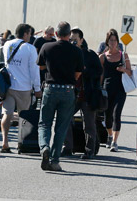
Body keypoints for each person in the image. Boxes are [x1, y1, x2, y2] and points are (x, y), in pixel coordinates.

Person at [37, 21, 84, 172]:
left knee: (44, 123)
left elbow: (41, 66)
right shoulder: (76, 51)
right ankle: (55, 160)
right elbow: (78, 74)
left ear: (56, 34)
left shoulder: (46, 47)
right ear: (69, 35)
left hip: (50, 88)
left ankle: (44, 147)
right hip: (68, 90)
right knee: (61, 127)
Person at [0, 24, 41, 153]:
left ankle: (5, 142)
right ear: (25, 34)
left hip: (8, 85)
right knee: (24, 117)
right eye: (29, 34)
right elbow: (34, 70)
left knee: (7, 114)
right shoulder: (30, 48)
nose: (30, 36)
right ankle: (21, 143)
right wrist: (37, 88)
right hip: (24, 87)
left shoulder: (7, 45)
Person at [63, 28, 104, 159]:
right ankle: (67, 147)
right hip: (71, 94)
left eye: (75, 40)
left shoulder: (90, 54)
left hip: (87, 95)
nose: (73, 42)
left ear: (81, 40)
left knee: (89, 124)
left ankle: (89, 150)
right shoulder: (68, 53)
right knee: (65, 120)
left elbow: (98, 72)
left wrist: (85, 71)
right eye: (71, 40)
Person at [99, 29, 131, 152]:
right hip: (107, 90)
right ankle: (109, 135)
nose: (112, 42)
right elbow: (101, 75)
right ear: (107, 42)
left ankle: (114, 142)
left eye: (114, 40)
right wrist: (99, 88)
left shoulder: (124, 56)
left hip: (120, 89)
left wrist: (124, 69)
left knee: (116, 114)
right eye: (110, 40)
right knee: (107, 117)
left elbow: (130, 72)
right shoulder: (103, 57)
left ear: (118, 42)